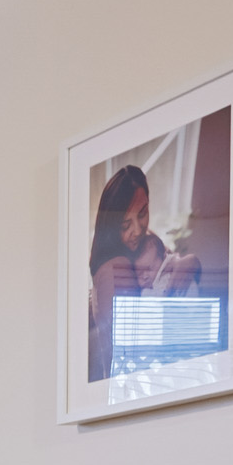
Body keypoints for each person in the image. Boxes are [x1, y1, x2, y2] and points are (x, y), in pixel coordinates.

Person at [87, 163, 206, 381]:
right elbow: (137, 347)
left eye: (142, 214)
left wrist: (190, 262)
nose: (138, 230)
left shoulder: (144, 243)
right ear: (111, 226)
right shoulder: (117, 266)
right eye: (125, 225)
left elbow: (174, 263)